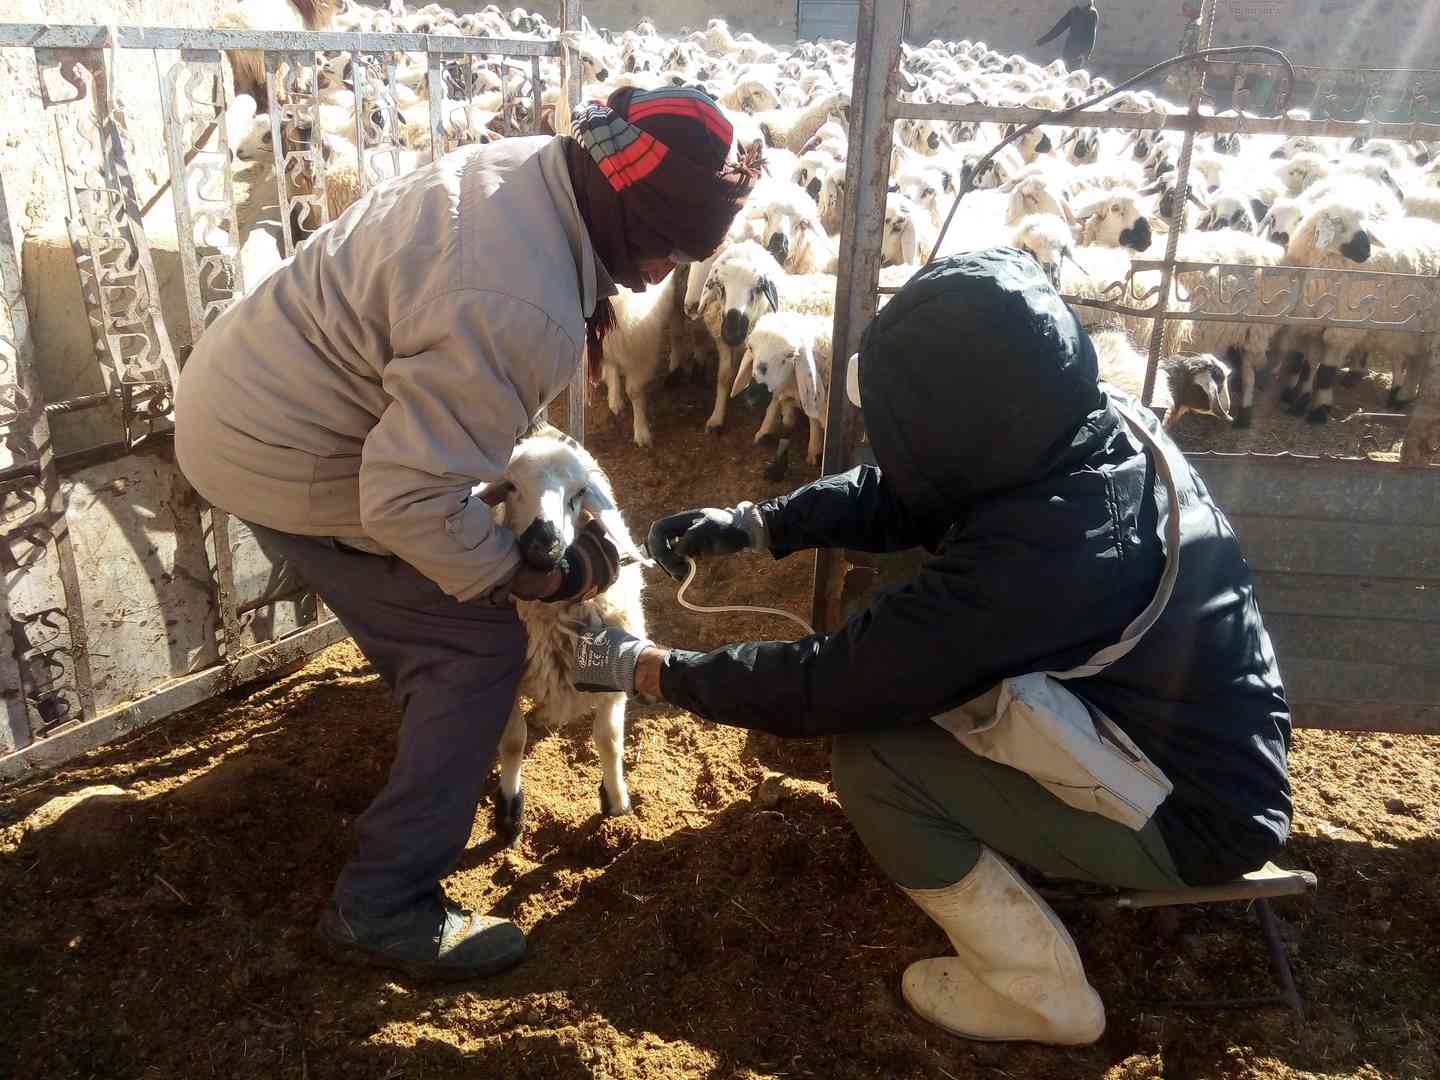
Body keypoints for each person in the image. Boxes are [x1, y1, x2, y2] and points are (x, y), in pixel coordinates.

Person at [572, 248, 1292, 1045]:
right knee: (928, 713)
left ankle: (1037, 993)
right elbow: (907, 492)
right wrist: (758, 522)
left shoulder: (1042, 561)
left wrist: (648, 668)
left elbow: (832, 684)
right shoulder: (1081, 429)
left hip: (1191, 819)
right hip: (1196, 748)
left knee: (876, 762)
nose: (896, 443)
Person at [174, 87, 757, 980]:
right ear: (623, 201)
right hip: (278, 446)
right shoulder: (516, 300)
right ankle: (383, 904)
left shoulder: (535, 176)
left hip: (254, 394)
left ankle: (434, 737)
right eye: (661, 245)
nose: (654, 277)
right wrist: (541, 584)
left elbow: (448, 431)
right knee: (477, 645)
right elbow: (408, 497)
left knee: (446, 603)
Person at [1035, 0, 1100, 71]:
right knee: (1063, 73)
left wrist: (1087, 53)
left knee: (1072, 75)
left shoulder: (1092, 14)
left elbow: (1091, 35)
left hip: (1078, 54)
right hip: (1068, 50)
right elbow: (1059, 28)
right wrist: (1040, 41)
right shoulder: (1074, 11)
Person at [1163, 1, 1205, 102]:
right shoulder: (1194, 22)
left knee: (1186, 92)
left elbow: (1189, 48)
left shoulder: (1196, 24)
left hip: (1188, 66)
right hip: (1185, 65)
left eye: (1187, 5)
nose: (1183, 8)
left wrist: (1179, 64)